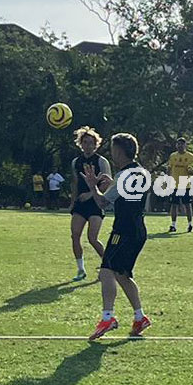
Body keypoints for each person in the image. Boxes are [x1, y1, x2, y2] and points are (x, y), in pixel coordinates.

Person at [82, 133, 152, 339]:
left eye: (113, 149)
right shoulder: (142, 172)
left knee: (106, 270)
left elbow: (103, 203)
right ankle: (140, 317)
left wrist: (93, 185)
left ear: (120, 151)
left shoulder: (124, 175)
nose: (112, 154)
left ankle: (108, 317)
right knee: (122, 274)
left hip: (123, 230)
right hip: (139, 229)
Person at [69, 127, 111, 281]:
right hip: (80, 205)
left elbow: (107, 183)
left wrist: (91, 194)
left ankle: (108, 265)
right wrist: (73, 201)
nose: (87, 145)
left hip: (96, 203)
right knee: (75, 236)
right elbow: (75, 183)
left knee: (92, 238)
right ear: (81, 144)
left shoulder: (101, 161)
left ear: (96, 144)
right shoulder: (76, 162)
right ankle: (81, 270)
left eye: (91, 143)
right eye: (85, 142)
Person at [166, 136, 193, 232]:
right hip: (174, 185)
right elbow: (169, 169)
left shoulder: (190, 156)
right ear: (176, 145)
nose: (180, 146)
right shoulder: (173, 156)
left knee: (187, 205)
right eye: (178, 144)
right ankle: (173, 225)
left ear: (185, 145)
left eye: (182, 144)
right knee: (174, 205)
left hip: (185, 184)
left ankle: (190, 224)